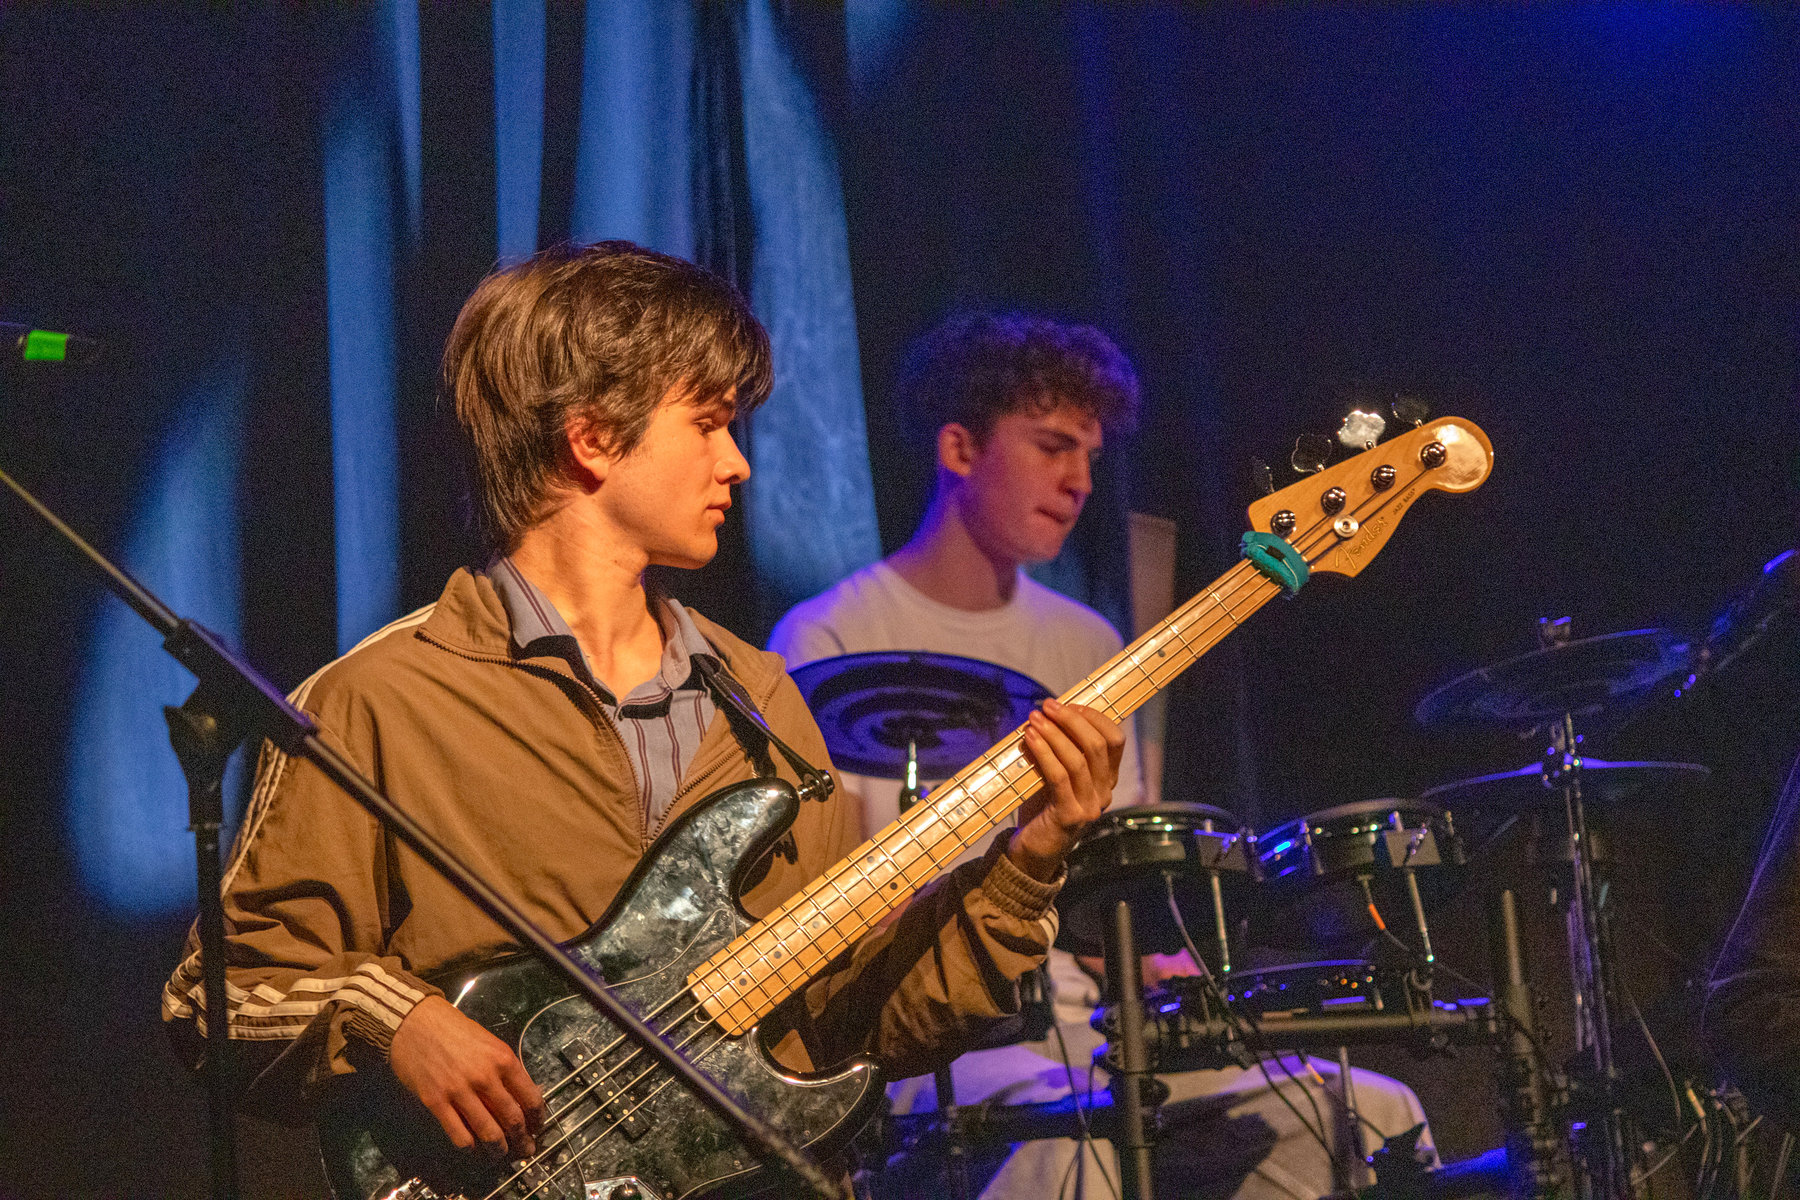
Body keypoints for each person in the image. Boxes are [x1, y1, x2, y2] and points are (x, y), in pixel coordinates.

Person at [160, 243, 1125, 1174]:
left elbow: (847, 1018)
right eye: (706, 423)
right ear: (591, 437)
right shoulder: (376, 699)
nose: (737, 463)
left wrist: (1027, 865)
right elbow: (218, 998)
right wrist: (394, 1020)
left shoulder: (763, 703)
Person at [769, 311, 1434, 1200]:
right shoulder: (828, 637)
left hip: (1090, 1033)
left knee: (1370, 1114)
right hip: (927, 1041)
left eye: (1088, 455)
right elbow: (828, 914)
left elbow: (1112, 867)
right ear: (959, 448)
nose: (1079, 481)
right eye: (1052, 447)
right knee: (1074, 1149)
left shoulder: (1087, 643)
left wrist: (1164, 951)